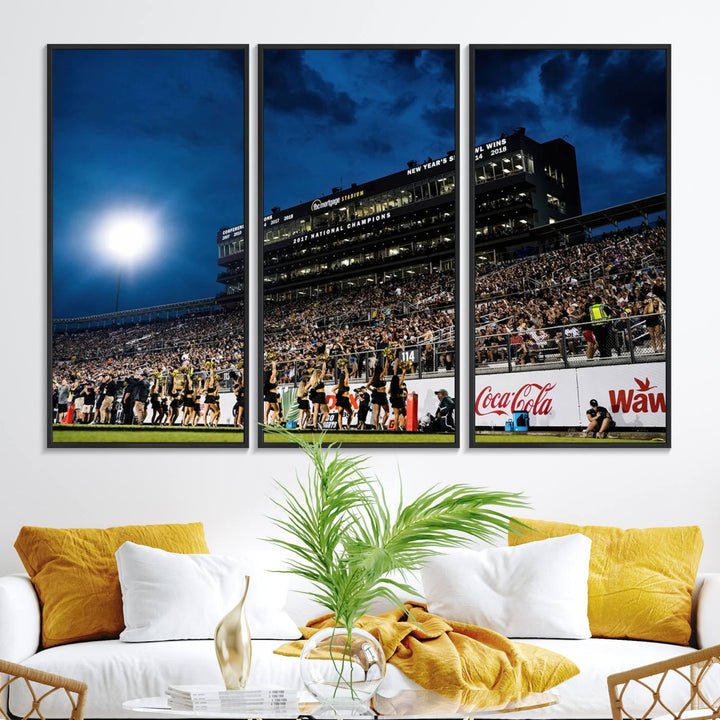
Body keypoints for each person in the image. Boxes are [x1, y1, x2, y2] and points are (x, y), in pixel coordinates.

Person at [308, 361, 329, 430]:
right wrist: (324, 362)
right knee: (326, 411)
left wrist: (311, 391)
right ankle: (321, 423)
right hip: (321, 395)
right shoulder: (320, 378)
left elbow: (305, 389)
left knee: (316, 411)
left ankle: (314, 425)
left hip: (315, 395)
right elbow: (324, 369)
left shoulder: (311, 380)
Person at [332, 366, 353, 430]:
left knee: (340, 413)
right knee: (351, 413)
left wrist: (337, 394)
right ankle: (348, 426)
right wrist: (344, 366)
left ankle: (341, 427)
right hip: (345, 399)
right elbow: (347, 373)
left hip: (340, 398)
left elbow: (333, 390)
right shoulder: (346, 382)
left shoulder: (339, 384)